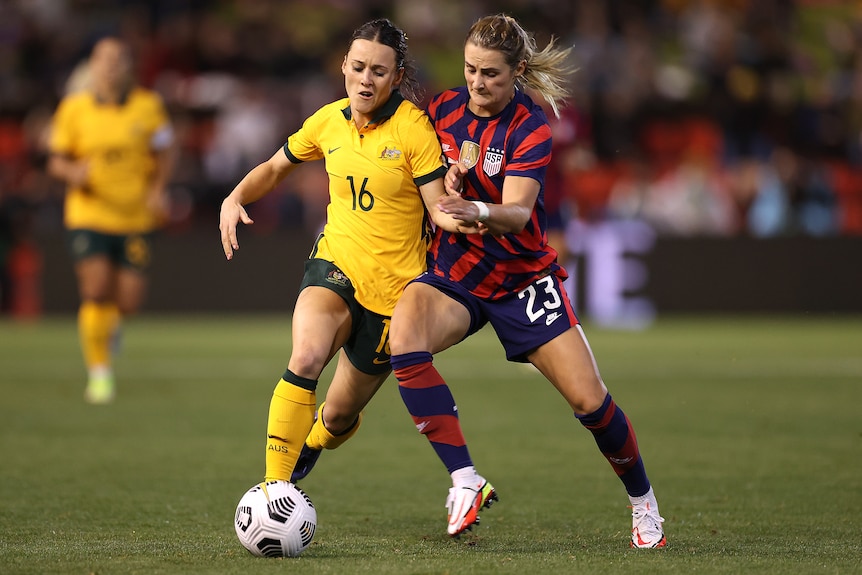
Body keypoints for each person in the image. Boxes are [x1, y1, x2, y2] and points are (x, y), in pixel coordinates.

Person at [387, 14, 667, 548]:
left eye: (490, 73)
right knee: (405, 338)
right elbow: (422, 173)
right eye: (470, 69)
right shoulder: (442, 109)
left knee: (590, 402)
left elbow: (517, 213)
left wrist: (473, 206)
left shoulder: (530, 127)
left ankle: (643, 501)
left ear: (516, 71)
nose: (477, 82)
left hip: (522, 282)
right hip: (457, 273)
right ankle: (465, 479)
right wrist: (444, 179)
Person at [218, 19, 476, 491]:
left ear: (397, 77)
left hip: (393, 299)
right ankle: (274, 489)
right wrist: (234, 197)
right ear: (343, 67)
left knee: (337, 416)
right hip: (335, 266)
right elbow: (276, 167)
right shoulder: (327, 120)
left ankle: (312, 444)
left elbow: (439, 211)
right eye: (358, 67)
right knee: (307, 356)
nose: (365, 79)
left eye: (379, 71)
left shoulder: (414, 131)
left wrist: (473, 214)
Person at [47, 37, 175, 404]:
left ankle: (112, 327)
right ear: (93, 65)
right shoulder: (74, 109)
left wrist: (159, 188)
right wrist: (72, 173)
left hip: (136, 216)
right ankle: (100, 373)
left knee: (129, 300)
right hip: (89, 213)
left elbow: (166, 149)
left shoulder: (148, 106)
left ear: (128, 66)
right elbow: (55, 159)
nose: (111, 66)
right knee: (96, 290)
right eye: (104, 59)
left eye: (118, 59)